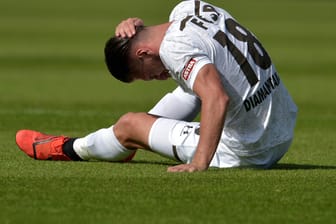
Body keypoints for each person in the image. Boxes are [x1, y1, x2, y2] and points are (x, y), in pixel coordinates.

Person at [15, 0, 297, 172]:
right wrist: (138, 25)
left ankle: (69, 148)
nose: (159, 77)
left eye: (147, 74)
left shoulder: (175, 49)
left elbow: (217, 98)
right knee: (187, 89)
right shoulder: (191, 8)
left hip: (249, 149)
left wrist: (199, 163)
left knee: (128, 124)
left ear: (143, 54)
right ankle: (135, 139)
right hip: (281, 125)